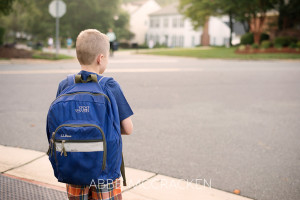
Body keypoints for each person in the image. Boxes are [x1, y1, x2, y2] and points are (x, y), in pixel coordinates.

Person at [55, 29, 133, 200]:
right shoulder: (110, 86)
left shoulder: (65, 85)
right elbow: (128, 128)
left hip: (73, 165)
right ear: (100, 58)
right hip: (105, 170)